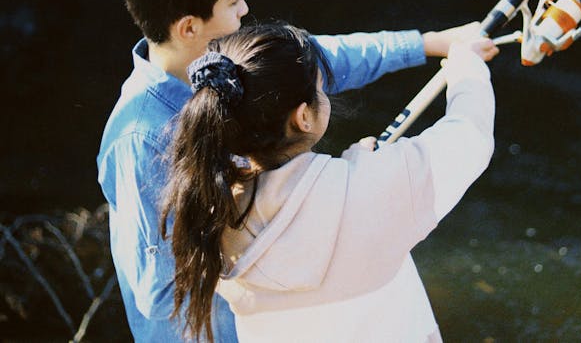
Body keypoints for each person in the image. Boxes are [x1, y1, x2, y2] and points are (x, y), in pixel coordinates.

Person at [96, 0, 499, 341]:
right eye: (232, 0)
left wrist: (429, 43)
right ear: (189, 27)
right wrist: (331, 205)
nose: (245, 8)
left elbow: (311, 63)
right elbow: (162, 295)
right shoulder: (140, 140)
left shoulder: (229, 69)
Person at [161, 22, 497, 342]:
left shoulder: (209, 210)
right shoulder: (375, 188)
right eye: (320, 88)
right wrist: (466, 66)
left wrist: (356, 167)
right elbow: (469, 135)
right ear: (304, 117)